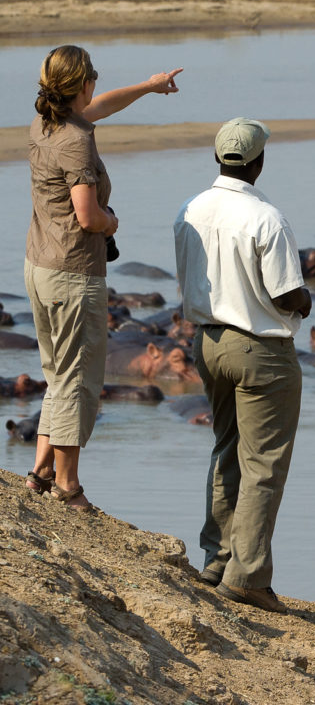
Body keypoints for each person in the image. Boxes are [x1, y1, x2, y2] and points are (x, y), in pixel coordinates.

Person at [24, 44, 182, 510]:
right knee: (80, 381)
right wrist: (113, 222)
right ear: (82, 84)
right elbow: (88, 216)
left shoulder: (46, 121)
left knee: (58, 374)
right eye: (93, 77)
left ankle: (40, 470)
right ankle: (68, 485)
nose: (97, 84)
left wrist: (149, 88)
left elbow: (101, 106)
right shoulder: (75, 140)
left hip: (39, 267)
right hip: (72, 273)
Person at [173, 118, 311, 614]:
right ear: (258, 162)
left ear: (218, 157)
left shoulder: (189, 209)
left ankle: (219, 557)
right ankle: (248, 576)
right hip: (260, 350)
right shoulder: (266, 218)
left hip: (208, 342)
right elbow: (285, 293)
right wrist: (306, 300)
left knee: (227, 447)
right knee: (265, 463)